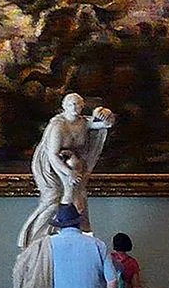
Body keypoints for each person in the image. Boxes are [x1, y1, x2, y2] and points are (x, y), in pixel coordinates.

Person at [17, 93, 116, 248]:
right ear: (64, 106)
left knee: (77, 198)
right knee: (53, 199)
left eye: (78, 104)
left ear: (82, 106)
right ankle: (35, 242)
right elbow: (52, 155)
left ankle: (75, 239)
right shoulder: (58, 126)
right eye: (71, 104)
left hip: (72, 164)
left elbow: (105, 124)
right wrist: (70, 174)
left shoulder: (83, 122)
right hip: (51, 166)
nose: (75, 108)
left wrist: (105, 113)